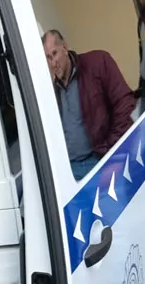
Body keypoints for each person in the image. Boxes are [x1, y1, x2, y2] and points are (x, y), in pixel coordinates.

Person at [44, 28, 137, 179]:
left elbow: (124, 103)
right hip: (71, 170)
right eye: (48, 58)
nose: (53, 63)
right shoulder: (52, 91)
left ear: (65, 48)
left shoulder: (97, 63)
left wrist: (111, 152)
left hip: (101, 159)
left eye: (55, 53)